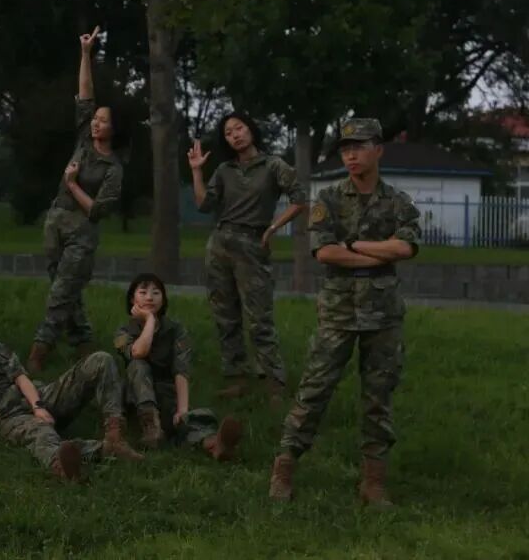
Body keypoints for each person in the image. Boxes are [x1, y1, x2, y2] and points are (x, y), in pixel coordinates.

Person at [268, 118, 421, 507]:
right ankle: (284, 468)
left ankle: (373, 482)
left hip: (383, 315)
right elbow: (324, 252)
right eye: (345, 149)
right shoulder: (329, 199)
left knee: (378, 397)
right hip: (338, 311)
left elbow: (406, 248)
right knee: (314, 390)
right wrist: (377, 253)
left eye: (359, 146)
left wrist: (353, 245)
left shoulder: (398, 201)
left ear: (378, 150)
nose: (351, 155)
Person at [0, 307, 143, 481]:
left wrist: (38, 406)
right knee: (40, 431)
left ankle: (115, 435)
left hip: (35, 395)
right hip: (6, 414)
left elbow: (20, 377)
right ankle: (70, 462)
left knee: (101, 360)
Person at [187, 112, 307, 402]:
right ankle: (236, 377)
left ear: (251, 128)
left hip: (253, 244)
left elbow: (299, 198)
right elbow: (204, 204)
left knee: (259, 318)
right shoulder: (224, 169)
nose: (235, 135)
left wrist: (274, 227)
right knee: (225, 314)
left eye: (239, 128)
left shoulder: (273, 165)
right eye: (228, 133)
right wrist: (197, 171)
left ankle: (274, 382)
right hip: (220, 243)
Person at [28, 26, 126, 373]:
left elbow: (98, 210)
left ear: (114, 128)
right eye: (95, 119)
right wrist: (86, 54)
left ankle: (39, 351)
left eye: (103, 121)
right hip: (56, 219)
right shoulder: (84, 139)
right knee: (64, 287)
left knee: (60, 293)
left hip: (82, 230)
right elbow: (85, 94)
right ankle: (83, 342)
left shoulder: (114, 168)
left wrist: (72, 184)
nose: (96, 123)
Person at [114, 273, 242, 459]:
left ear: (163, 299)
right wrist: (149, 320)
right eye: (143, 292)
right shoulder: (123, 332)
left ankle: (214, 444)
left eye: (156, 293)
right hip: (135, 400)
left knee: (188, 420)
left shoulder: (176, 330)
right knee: (138, 365)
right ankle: (151, 427)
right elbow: (138, 352)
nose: (150, 297)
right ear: (132, 300)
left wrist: (182, 410)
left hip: (165, 395)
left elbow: (181, 370)